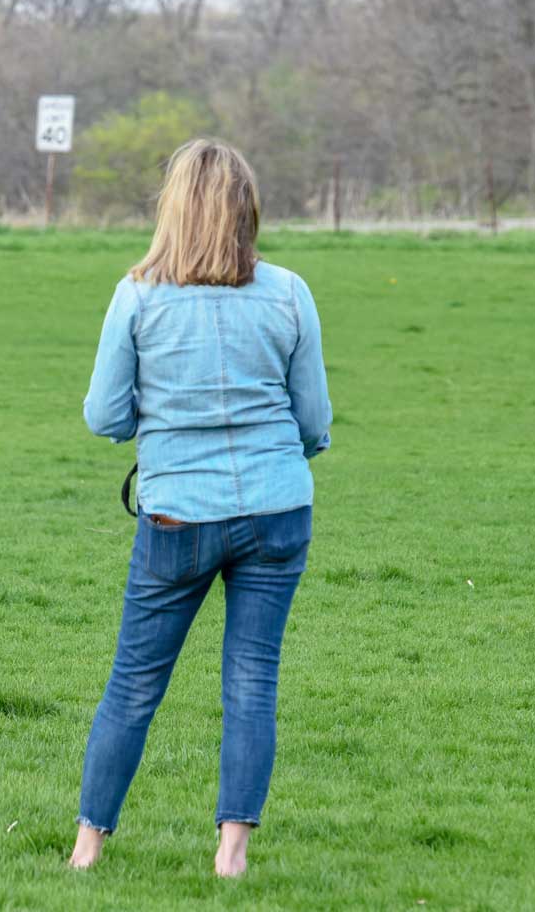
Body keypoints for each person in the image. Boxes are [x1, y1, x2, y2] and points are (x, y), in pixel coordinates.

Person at [68, 138, 332, 877]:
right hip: (278, 511)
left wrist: (154, 425)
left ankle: (88, 848)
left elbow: (102, 413)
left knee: (133, 684)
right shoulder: (288, 292)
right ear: (248, 210)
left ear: (173, 210)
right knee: (252, 680)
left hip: (177, 512)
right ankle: (232, 854)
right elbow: (313, 418)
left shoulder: (138, 293)